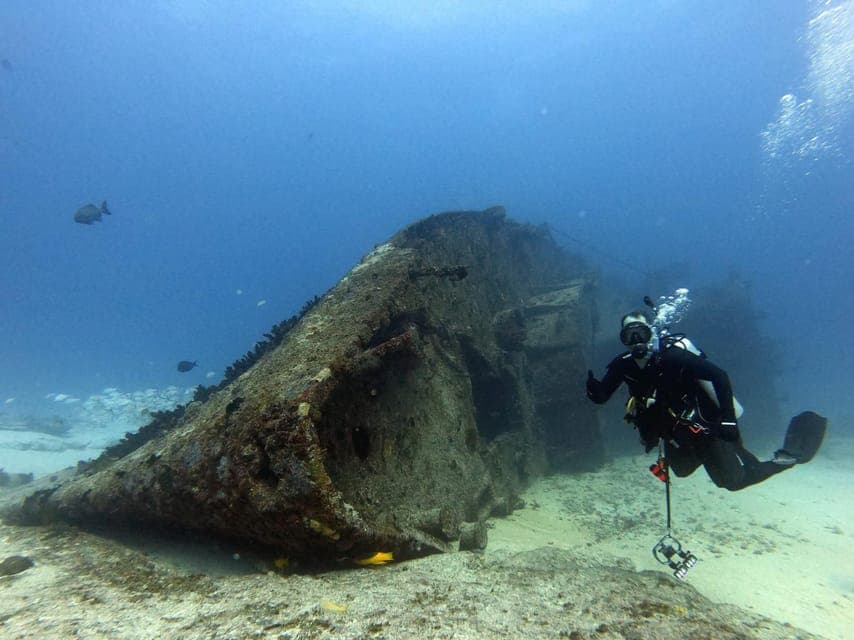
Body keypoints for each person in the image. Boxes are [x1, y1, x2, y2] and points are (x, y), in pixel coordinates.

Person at [585, 310, 798, 491]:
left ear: (651, 333)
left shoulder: (673, 357)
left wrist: (729, 420)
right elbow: (603, 395)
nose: (635, 341)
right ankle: (726, 454)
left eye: (640, 333)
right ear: (623, 339)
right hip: (674, 431)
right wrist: (595, 391)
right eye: (629, 335)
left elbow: (719, 376)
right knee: (682, 470)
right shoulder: (623, 365)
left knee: (731, 481)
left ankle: (781, 461)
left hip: (704, 427)